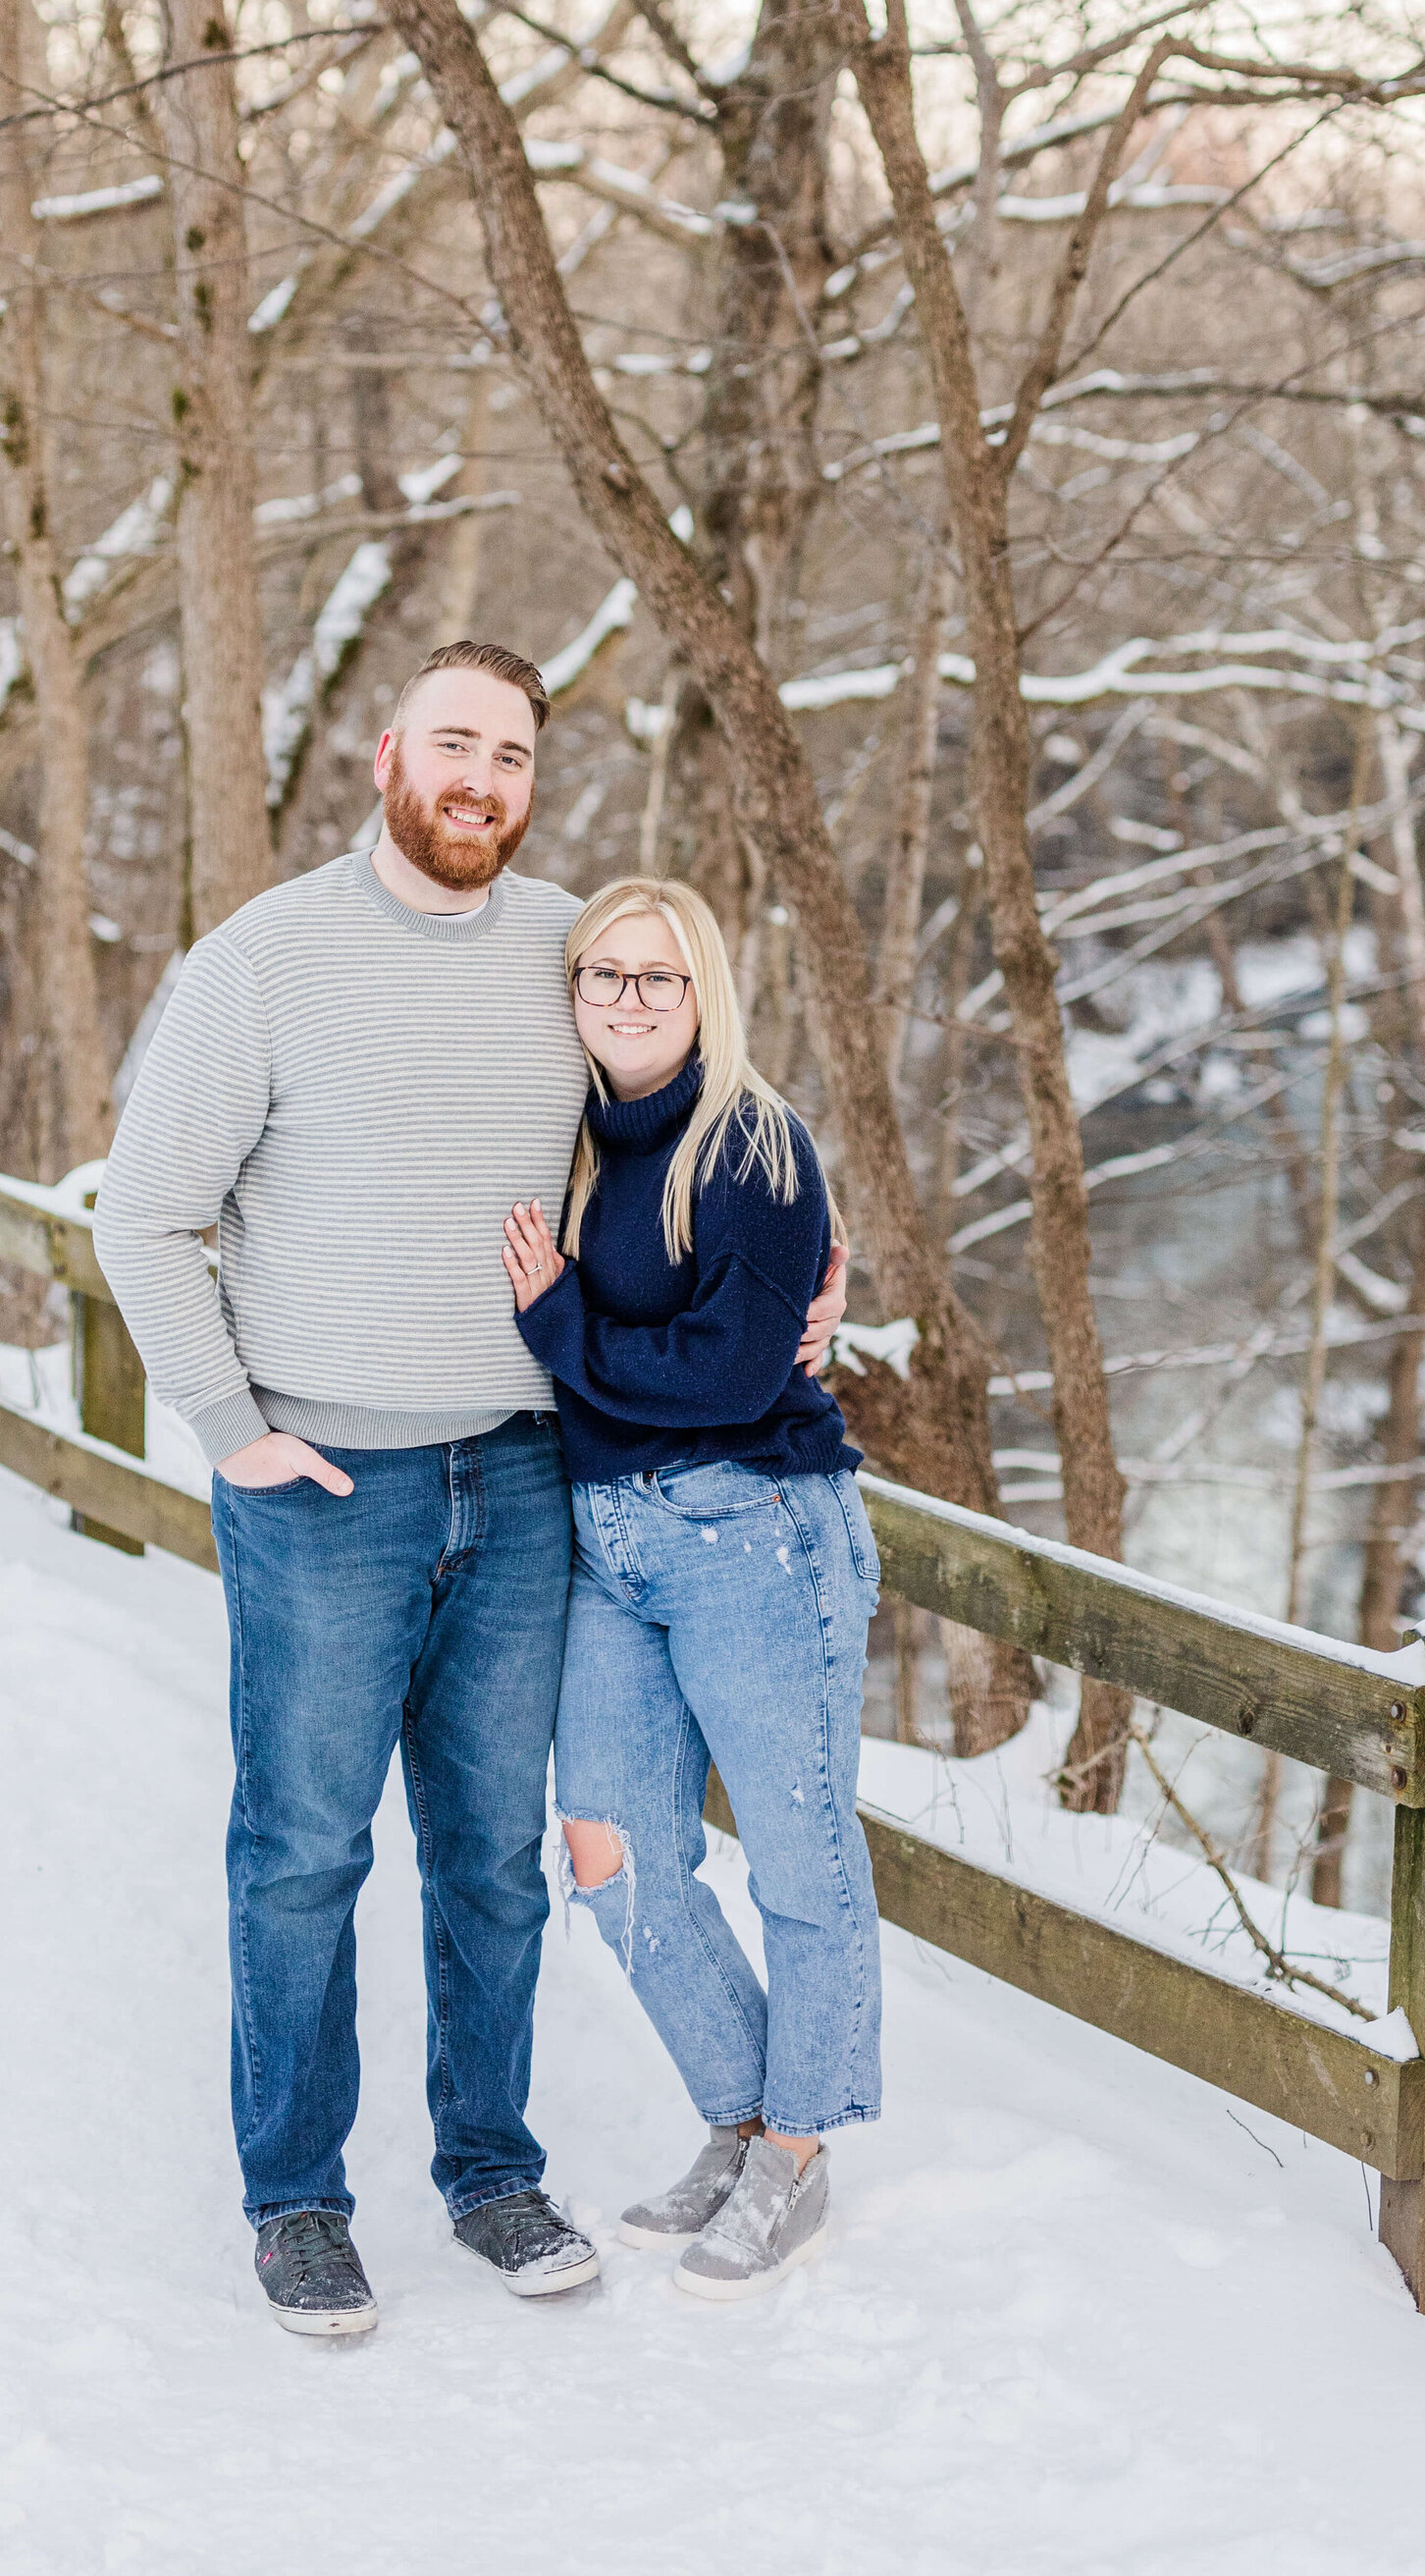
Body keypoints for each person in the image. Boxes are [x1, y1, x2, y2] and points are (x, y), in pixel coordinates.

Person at [93, 646, 846, 2338]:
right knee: (299, 1854)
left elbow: (701, 1115)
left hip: (524, 1479)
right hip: (325, 1478)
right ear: (386, 756)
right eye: (454, 745)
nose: (481, 780)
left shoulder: (572, 955)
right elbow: (142, 1214)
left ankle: (491, 2172)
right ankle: (296, 2200)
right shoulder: (267, 958)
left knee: (494, 1859)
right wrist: (229, 1427)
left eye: (510, 755)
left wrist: (813, 1246)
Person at [500, 875, 882, 2304]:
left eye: (662, 978)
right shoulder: (577, 1141)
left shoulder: (756, 1143)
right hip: (610, 1537)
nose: (632, 1000)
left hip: (755, 1528)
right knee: (606, 1839)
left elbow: (732, 1376)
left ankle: (797, 2146)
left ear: (704, 991)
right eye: (608, 974)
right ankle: (735, 2112)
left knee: (798, 1853)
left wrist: (559, 1329)